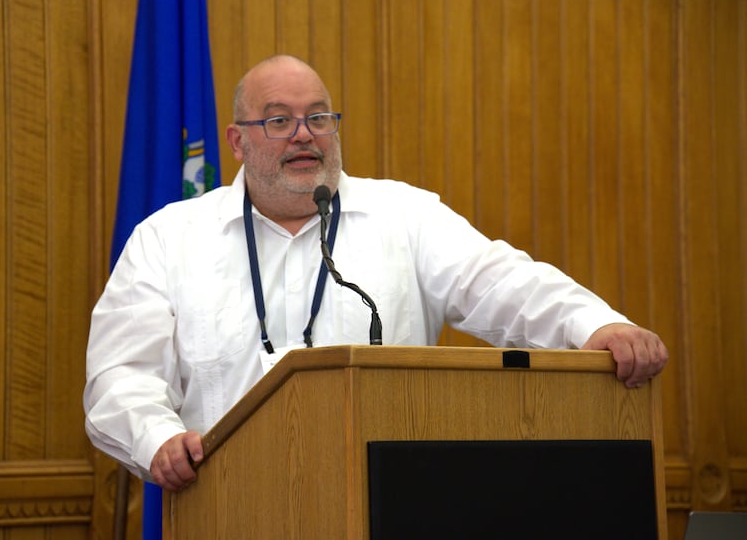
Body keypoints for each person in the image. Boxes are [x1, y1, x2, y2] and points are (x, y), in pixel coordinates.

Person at [84, 54, 668, 492]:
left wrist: (595, 325)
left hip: (390, 503)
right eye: (279, 120)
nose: (304, 133)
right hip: (227, 504)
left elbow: (502, 282)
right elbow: (119, 376)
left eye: (318, 117)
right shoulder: (168, 239)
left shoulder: (405, 216)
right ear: (237, 141)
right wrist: (158, 440)